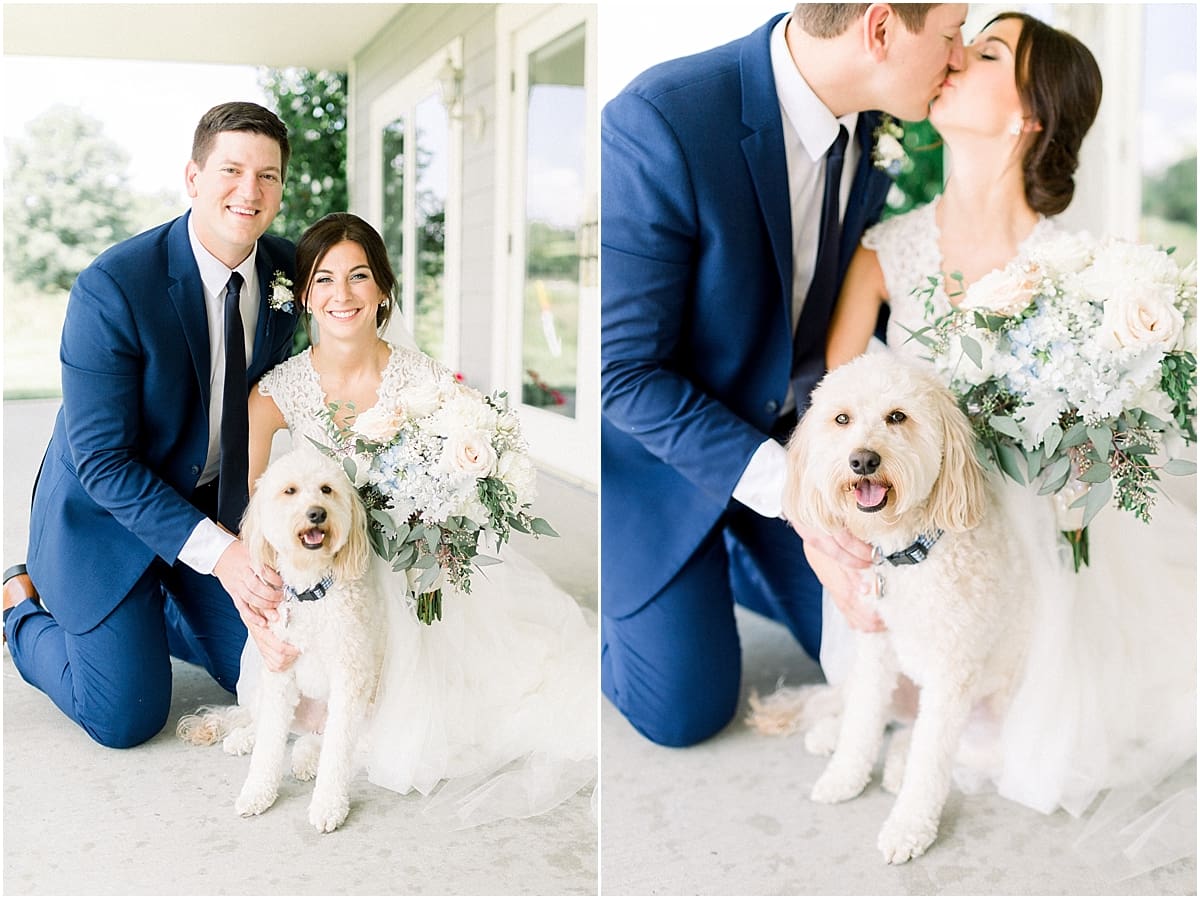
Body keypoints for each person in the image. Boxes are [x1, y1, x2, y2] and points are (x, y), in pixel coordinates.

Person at [821, 12, 1195, 869]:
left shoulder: (1079, 272)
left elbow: (1101, 445)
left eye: (986, 52)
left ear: (1031, 115)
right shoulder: (885, 250)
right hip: (908, 526)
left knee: (1034, 722)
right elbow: (835, 410)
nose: (954, 57)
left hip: (1031, 535)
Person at [600, 2, 967, 747]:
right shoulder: (659, 121)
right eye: (953, 34)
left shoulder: (875, 129)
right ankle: (653, 589)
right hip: (665, 463)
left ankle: (742, 556)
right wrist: (796, 495)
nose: (958, 57)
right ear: (881, 28)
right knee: (684, 712)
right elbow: (626, 375)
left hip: (798, 436)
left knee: (889, 653)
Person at [240, 212, 597, 826]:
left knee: (438, 719)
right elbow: (258, 500)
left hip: (412, 575)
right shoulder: (275, 393)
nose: (342, 295)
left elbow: (465, 485)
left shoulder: (425, 381)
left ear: (382, 288)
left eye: (359, 276)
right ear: (303, 295)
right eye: (324, 280)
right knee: (292, 684)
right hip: (322, 573)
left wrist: (440, 525)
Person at [3, 102, 299, 749]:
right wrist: (224, 556)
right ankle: (18, 607)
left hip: (209, 510)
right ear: (193, 177)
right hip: (104, 518)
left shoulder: (287, 274)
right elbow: (103, 462)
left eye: (268, 175)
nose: (249, 190)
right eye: (231, 169)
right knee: (125, 716)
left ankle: (158, 607)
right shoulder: (113, 287)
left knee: (258, 669)